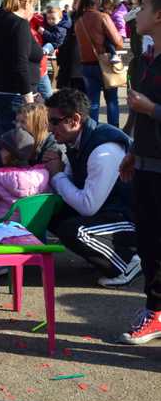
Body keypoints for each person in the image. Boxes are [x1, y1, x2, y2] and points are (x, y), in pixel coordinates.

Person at [44, 89, 140, 287]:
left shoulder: (103, 150)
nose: (49, 128)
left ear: (75, 119)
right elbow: (71, 186)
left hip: (135, 220)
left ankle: (127, 263)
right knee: (50, 212)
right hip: (111, 213)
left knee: (76, 231)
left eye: (54, 121)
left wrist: (57, 175)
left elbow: (88, 206)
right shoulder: (78, 140)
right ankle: (103, 254)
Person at [118, 0, 161, 343]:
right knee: (148, 243)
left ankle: (157, 311)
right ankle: (155, 308)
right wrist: (134, 149)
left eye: (144, 6)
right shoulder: (145, 60)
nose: (137, 13)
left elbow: (151, 111)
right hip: (146, 166)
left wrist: (151, 109)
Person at [0, 0, 43, 162]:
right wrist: (28, 96)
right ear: (26, 3)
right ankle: (12, 184)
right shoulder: (19, 24)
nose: (34, 10)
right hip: (13, 94)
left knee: (2, 144)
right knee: (16, 149)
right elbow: (20, 63)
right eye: (33, 5)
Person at [0, 127, 50, 218]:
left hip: (0, 225)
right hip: (27, 225)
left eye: (2, 148)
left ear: (8, 154)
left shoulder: (1, 178)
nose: (0, 151)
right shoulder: (41, 176)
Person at [73, 0, 123, 126]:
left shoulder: (78, 21)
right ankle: (114, 132)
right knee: (112, 100)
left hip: (86, 65)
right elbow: (118, 42)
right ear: (98, 2)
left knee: (93, 102)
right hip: (104, 63)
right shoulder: (102, 17)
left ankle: (93, 132)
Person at [16, 100, 63, 165]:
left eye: (23, 122)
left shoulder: (53, 143)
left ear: (37, 124)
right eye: (17, 121)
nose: (17, 126)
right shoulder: (21, 139)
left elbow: (48, 172)